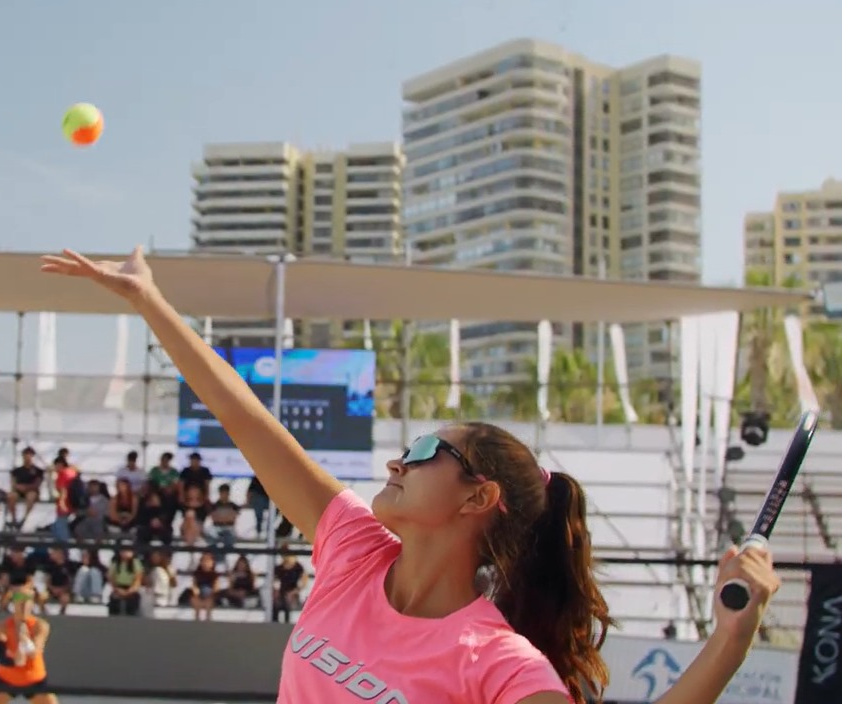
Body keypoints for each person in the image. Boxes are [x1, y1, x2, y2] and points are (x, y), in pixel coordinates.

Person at [41, 247, 783, 704]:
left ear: (478, 497)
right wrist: (150, 302)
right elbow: (245, 419)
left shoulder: (494, 660)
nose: (398, 459)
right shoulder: (352, 552)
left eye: (426, 448)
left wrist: (729, 641)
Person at [0, 585, 57, 704]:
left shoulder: (40, 625)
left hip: (35, 679)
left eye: (27, 603)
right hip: (7, 679)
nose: (23, 607)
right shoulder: (1, 627)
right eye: (20, 603)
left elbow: (35, 651)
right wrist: (15, 660)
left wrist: (24, 638)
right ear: (14, 604)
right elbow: (3, 658)